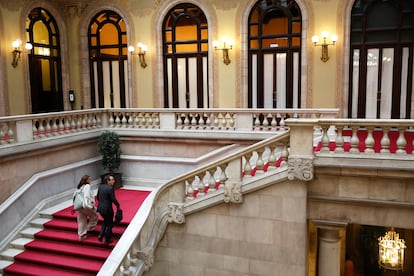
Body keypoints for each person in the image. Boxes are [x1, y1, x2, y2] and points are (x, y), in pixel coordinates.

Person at [97, 174, 120, 245]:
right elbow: (113, 198)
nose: (114, 181)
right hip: (108, 209)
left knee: (105, 221)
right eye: (112, 180)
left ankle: (101, 235)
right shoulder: (110, 188)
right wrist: (118, 205)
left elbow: (97, 197)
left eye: (113, 179)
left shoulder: (100, 187)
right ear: (108, 181)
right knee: (110, 224)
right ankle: (107, 239)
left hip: (100, 208)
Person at [74, 175, 98, 241]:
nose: (91, 180)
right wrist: (91, 204)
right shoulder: (87, 186)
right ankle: (90, 227)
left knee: (81, 220)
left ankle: (81, 235)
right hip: (85, 205)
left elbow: (74, 196)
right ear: (86, 180)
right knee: (95, 214)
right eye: (89, 179)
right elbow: (87, 196)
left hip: (79, 206)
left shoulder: (79, 187)